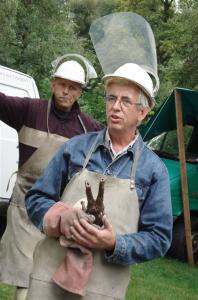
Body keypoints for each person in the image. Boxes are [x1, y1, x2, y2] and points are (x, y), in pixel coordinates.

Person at [25, 63, 172, 300]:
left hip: (103, 290)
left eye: (125, 101)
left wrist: (114, 243)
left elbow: (159, 238)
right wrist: (61, 218)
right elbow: (35, 199)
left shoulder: (153, 171)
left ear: (142, 113)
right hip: (49, 278)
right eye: (111, 98)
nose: (115, 107)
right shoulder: (75, 148)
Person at [0, 54, 103, 300]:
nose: (66, 91)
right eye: (62, 84)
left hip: (61, 213)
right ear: (52, 83)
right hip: (24, 208)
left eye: (73, 87)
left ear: (80, 91)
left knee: (48, 278)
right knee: (24, 280)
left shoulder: (90, 129)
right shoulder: (28, 111)